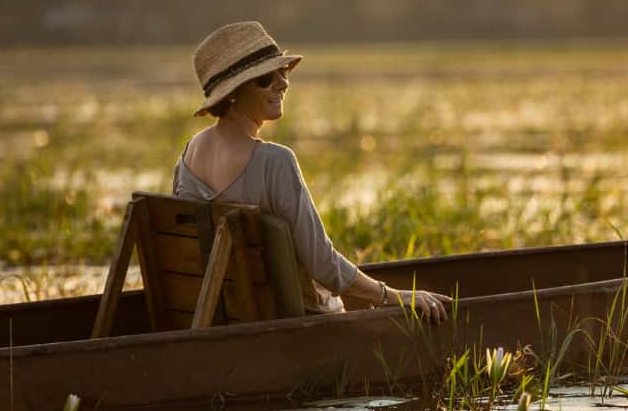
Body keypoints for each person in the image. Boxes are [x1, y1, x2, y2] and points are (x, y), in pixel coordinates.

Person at [172, 21, 451, 322]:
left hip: (220, 316)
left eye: (284, 72)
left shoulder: (189, 156)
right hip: (290, 321)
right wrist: (396, 295)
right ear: (232, 93)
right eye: (266, 78)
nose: (282, 83)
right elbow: (323, 266)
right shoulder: (274, 162)